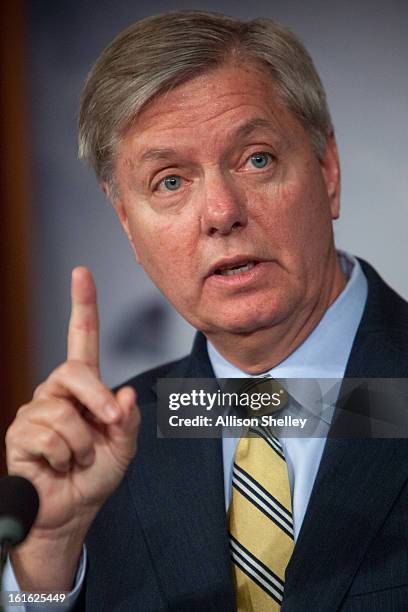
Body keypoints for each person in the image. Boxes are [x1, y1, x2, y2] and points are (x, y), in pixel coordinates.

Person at [4, 10, 408, 611]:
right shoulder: (101, 451)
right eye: (170, 182)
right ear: (127, 226)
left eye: (257, 159)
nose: (221, 211)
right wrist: (44, 572)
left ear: (327, 171)